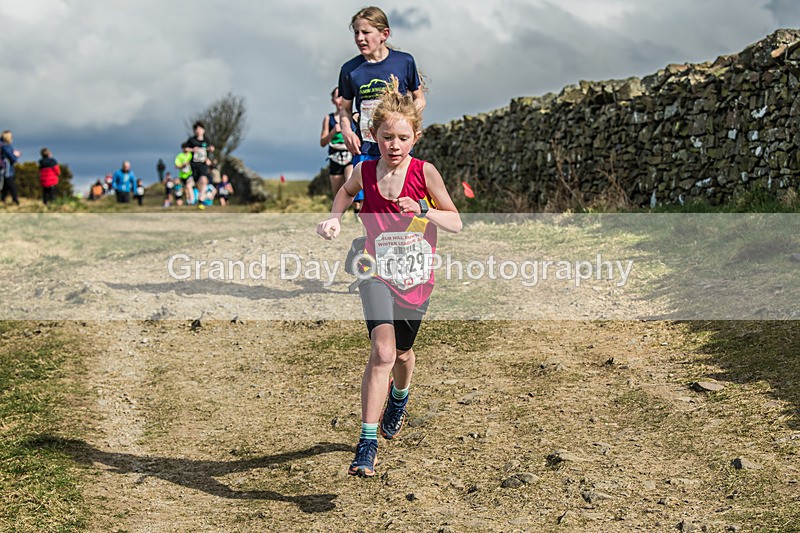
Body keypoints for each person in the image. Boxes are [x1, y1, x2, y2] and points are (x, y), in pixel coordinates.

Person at [316, 79, 461, 477]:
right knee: (382, 352)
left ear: (415, 137)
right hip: (375, 269)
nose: (393, 145)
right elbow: (345, 193)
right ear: (373, 136)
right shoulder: (364, 170)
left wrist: (424, 210)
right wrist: (333, 217)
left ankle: (400, 395)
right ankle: (366, 443)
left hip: (415, 276)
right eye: (385, 137)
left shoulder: (424, 172)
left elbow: (456, 222)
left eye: (402, 137)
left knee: (401, 354)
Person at [338, 6, 426, 220]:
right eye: (356, 33)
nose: (360, 38)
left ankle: (409, 242)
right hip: (366, 143)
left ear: (384, 34)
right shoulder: (350, 70)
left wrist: (405, 119)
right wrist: (348, 131)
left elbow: (420, 98)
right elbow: (345, 110)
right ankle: (373, 245)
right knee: (368, 204)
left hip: (397, 143)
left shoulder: (404, 61)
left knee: (403, 197)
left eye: (365, 32)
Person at [320, 87, 355, 200]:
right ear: (333, 101)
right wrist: (333, 131)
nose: (340, 99)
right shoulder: (328, 119)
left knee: (352, 184)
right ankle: (338, 216)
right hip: (335, 156)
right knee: (337, 193)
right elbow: (322, 142)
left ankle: (356, 213)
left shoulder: (354, 117)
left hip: (350, 155)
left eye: (342, 96)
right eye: (337, 97)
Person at [186, 122, 215, 205]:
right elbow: (185, 148)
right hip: (193, 165)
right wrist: (192, 150)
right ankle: (192, 201)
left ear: (203, 130)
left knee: (203, 180)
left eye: (200, 129)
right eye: (196, 129)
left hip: (203, 164)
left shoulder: (206, 140)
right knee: (190, 184)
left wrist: (211, 149)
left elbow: (211, 148)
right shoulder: (192, 140)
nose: (198, 131)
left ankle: (201, 199)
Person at [1, 130, 21, 205]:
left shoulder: (2, 145)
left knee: (5, 185)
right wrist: (16, 155)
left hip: (3, 168)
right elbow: (13, 158)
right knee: (11, 185)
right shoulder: (6, 147)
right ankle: (15, 200)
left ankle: (3, 199)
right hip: (7, 169)